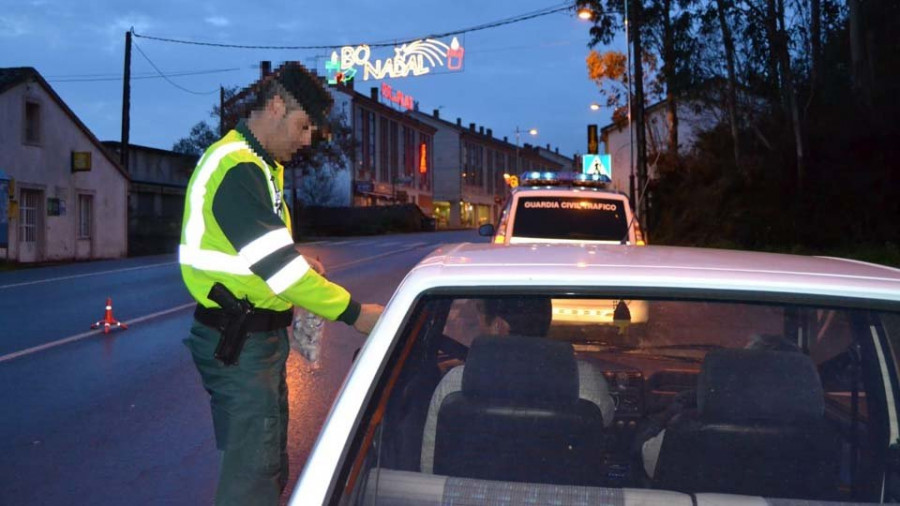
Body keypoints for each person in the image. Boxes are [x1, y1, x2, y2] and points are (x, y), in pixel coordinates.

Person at [178, 62, 383, 506]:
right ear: (275, 107)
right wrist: (354, 313)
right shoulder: (238, 168)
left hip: (251, 341)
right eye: (303, 124)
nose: (307, 139)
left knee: (262, 465)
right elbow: (279, 270)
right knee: (254, 477)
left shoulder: (258, 166)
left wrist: (297, 260)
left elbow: (258, 253)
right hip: (241, 345)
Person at [636, 334, 801, 480]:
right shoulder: (820, 437)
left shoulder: (687, 428)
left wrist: (667, 415)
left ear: (742, 376)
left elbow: (643, 457)